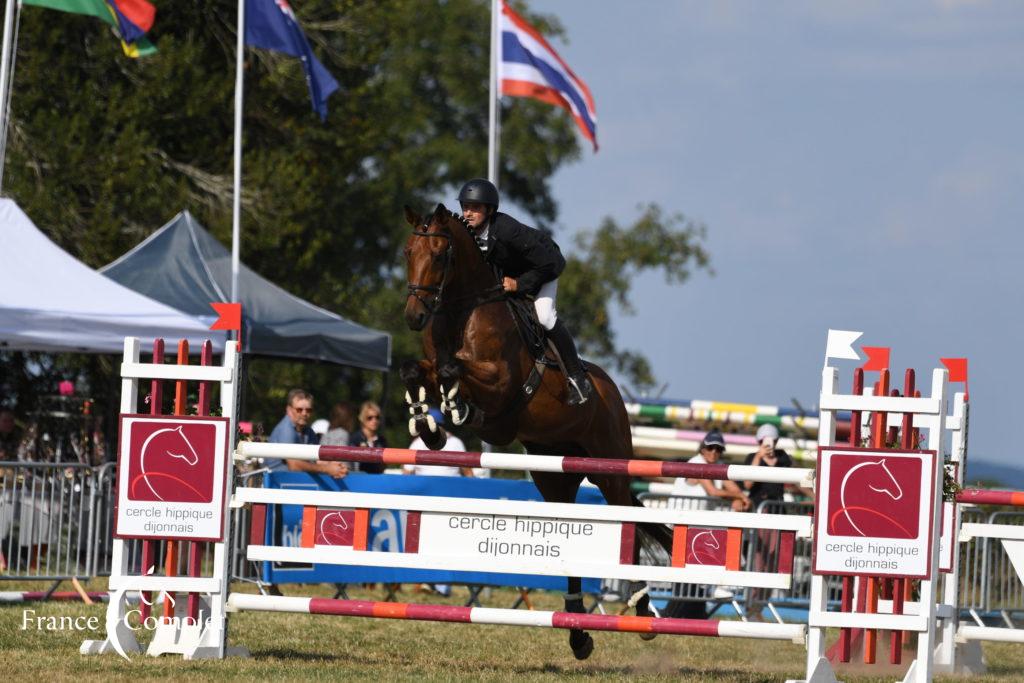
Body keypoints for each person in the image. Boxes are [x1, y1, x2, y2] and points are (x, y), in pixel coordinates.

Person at [457, 178, 593, 406]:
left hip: (543, 270)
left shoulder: (508, 230)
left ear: (489, 209)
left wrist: (519, 285)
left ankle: (577, 377)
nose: (468, 213)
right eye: (465, 207)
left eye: (475, 208)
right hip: (509, 279)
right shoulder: (467, 233)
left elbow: (553, 263)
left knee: (545, 316)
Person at [265, 389, 347, 479]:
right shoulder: (286, 429)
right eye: (299, 410)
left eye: (309, 410)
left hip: (292, 481)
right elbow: (294, 465)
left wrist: (337, 467)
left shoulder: (308, 430)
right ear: (289, 410)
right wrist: (327, 469)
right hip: (275, 484)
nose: (304, 413)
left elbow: (316, 459)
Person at [672, 429, 751, 512]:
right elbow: (713, 491)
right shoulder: (697, 463)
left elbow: (735, 490)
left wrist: (738, 500)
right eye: (710, 447)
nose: (714, 452)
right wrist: (740, 496)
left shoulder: (718, 465)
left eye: (718, 449)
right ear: (703, 449)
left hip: (696, 518)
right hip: (681, 516)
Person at [403, 409, 473, 477]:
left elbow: (406, 473)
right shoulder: (456, 442)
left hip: (425, 486)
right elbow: (468, 472)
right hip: (451, 486)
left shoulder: (416, 443)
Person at [348, 401, 386, 473]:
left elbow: (383, 466)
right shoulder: (354, 439)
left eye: (377, 417)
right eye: (370, 417)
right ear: (362, 418)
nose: (374, 420)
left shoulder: (382, 440)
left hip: (377, 480)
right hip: (358, 479)